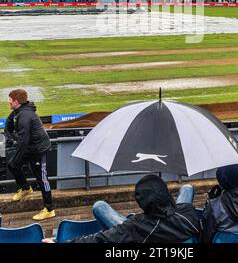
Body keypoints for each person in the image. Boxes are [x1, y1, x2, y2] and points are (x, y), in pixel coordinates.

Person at [44, 174, 201, 243]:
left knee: (100, 206)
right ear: (166, 196)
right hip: (176, 220)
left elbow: (99, 239)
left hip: (142, 232)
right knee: (187, 187)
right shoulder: (188, 212)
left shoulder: (135, 226)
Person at [4, 89, 55, 220]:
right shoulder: (16, 113)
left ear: (16, 101)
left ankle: (49, 209)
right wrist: (13, 138)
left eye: (9, 99)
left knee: (41, 178)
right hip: (28, 147)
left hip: (38, 150)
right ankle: (26, 188)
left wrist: (18, 153)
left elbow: (24, 141)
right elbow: (7, 129)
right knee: (12, 165)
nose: (8, 102)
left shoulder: (25, 116)